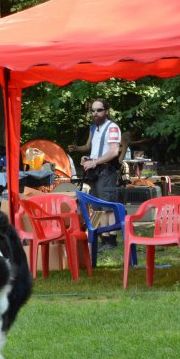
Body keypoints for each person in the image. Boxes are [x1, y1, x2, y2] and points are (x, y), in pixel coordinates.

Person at [68, 98, 122, 249]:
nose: (95, 113)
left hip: (107, 170)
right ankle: (103, 240)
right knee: (98, 206)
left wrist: (94, 162)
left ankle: (112, 241)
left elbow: (113, 151)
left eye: (99, 110)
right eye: (93, 110)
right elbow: (94, 149)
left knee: (108, 207)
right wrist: (88, 158)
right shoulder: (95, 128)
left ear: (106, 111)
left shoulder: (112, 127)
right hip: (96, 172)